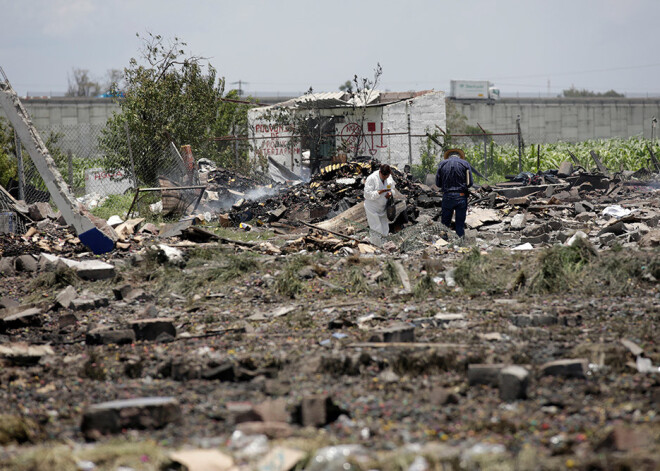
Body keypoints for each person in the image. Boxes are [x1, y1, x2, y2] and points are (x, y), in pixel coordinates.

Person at [435, 148, 473, 238]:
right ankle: (460, 243)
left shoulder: (442, 164)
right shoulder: (465, 164)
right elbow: (470, 183)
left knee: (445, 224)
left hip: (447, 196)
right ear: (460, 156)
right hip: (461, 196)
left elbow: (438, 183)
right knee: (459, 224)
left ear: (448, 156)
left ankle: (444, 243)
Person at [364, 163, 395, 244]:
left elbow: (392, 189)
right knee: (376, 228)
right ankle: (376, 246)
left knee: (385, 227)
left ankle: (385, 245)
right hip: (372, 207)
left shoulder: (389, 177)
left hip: (383, 207)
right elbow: (367, 195)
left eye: (387, 176)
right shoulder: (371, 178)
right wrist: (380, 192)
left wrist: (391, 193)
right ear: (380, 172)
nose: (385, 178)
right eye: (384, 176)